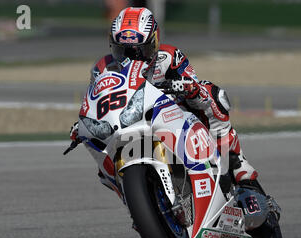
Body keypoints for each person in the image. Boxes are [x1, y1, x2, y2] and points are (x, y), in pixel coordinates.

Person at [70, 6, 258, 186]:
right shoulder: (103, 67)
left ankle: (234, 159)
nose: (132, 57)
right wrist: (84, 123)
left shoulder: (169, 57)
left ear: (154, 42)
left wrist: (190, 87)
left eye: (139, 50)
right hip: (131, 121)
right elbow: (96, 98)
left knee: (213, 95)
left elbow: (194, 84)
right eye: (123, 51)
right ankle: (134, 203)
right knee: (103, 171)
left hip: (174, 116)